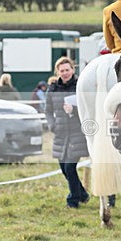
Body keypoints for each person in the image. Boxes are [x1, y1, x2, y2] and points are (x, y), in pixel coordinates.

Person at [45, 56, 89, 209]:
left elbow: (87, 109)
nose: (65, 73)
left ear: (72, 70)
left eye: (67, 70)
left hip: (77, 133)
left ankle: (73, 200)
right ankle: (83, 194)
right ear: (57, 72)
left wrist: (74, 110)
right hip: (60, 133)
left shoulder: (80, 86)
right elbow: (48, 111)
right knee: (64, 169)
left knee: (70, 167)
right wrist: (52, 125)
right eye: (62, 70)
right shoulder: (52, 88)